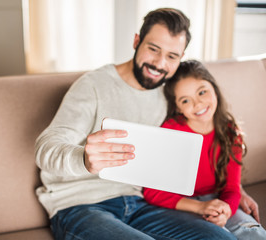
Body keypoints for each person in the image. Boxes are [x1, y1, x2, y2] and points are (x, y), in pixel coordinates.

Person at [35, 8, 257, 240]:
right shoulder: (93, 86)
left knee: (221, 238)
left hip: (139, 204)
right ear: (136, 41)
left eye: (172, 56)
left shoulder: (171, 95)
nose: (160, 63)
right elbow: (45, 147)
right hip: (80, 206)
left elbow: (205, 138)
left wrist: (235, 189)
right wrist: (82, 159)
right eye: (153, 49)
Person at [143, 60, 266, 239]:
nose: (198, 103)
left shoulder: (231, 132)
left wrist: (226, 210)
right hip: (182, 204)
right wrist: (201, 207)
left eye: (202, 92)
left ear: (214, 88)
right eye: (186, 100)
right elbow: (152, 193)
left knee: (253, 232)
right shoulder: (171, 131)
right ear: (178, 107)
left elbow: (232, 188)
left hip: (217, 199)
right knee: (217, 235)